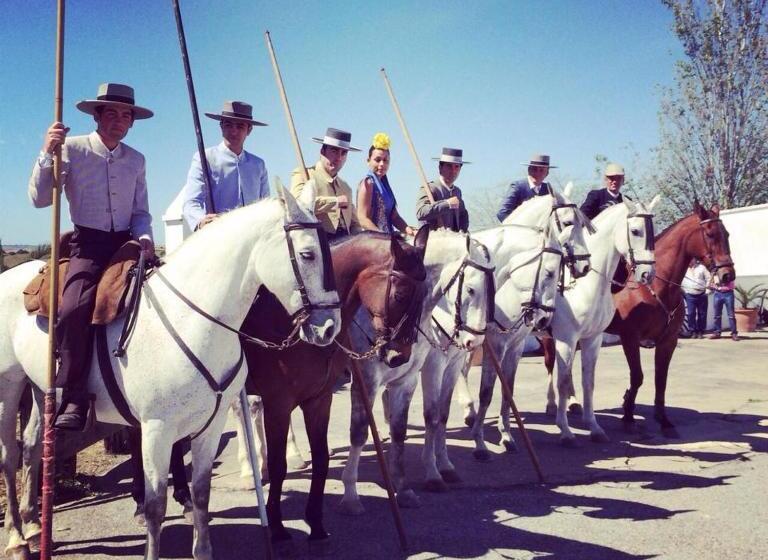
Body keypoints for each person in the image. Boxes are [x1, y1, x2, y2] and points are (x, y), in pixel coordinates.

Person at [28, 83, 155, 430]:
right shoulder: (71, 149)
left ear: (132, 122)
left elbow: (141, 212)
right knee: (73, 308)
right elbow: (40, 199)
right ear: (97, 116)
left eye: (125, 115)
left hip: (126, 245)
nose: (119, 120)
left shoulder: (137, 160)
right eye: (111, 113)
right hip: (88, 245)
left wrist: (145, 238)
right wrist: (47, 152)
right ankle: (73, 394)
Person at [182, 101, 270, 230]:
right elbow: (191, 201)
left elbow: (265, 204)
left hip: (253, 234)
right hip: (219, 234)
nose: (234, 131)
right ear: (221, 126)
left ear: (249, 130)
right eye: (228, 125)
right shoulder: (205, 158)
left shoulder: (258, 165)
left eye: (240, 126)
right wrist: (201, 221)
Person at [290, 128, 362, 241]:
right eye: (334, 151)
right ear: (322, 151)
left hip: (346, 244)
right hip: (317, 243)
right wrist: (335, 202)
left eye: (344, 153)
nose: (339, 158)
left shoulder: (346, 188)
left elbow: (354, 224)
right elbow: (297, 207)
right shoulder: (303, 174)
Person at [356, 132, 415, 235]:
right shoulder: (368, 183)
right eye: (377, 160)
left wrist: (410, 231)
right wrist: (383, 236)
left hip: (387, 238)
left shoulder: (385, 185)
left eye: (385, 160)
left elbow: (394, 217)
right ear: (368, 161)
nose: (382, 164)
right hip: (372, 239)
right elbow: (362, 218)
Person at [415, 147, 470, 232]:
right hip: (432, 238)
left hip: (453, 238)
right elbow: (421, 212)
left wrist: (463, 231)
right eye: (449, 166)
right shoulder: (429, 188)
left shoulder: (457, 191)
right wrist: (447, 204)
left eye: (456, 167)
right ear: (440, 168)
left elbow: (462, 215)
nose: (453, 170)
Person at [497, 154, 555, 222]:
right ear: (529, 170)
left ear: (547, 173)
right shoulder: (518, 187)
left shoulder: (548, 190)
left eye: (541, 170)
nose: (537, 173)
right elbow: (502, 213)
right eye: (534, 169)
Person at [682, 257, 711, 338]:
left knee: (702, 314)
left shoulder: (702, 267)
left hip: (702, 294)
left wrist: (707, 290)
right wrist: (684, 291)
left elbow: (709, 278)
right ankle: (693, 331)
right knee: (691, 313)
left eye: (692, 259)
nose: (690, 260)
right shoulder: (683, 268)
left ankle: (700, 332)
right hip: (689, 294)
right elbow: (680, 279)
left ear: (695, 259)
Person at [708, 276, 739, 341]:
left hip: (728, 293)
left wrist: (720, 286)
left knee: (731, 315)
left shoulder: (729, 271)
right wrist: (713, 284)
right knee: (717, 315)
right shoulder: (715, 273)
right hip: (718, 293)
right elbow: (710, 284)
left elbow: (732, 282)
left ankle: (734, 333)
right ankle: (717, 332)